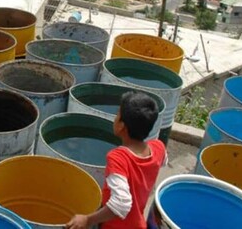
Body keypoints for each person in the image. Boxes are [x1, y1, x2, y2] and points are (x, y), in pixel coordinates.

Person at [66, 91, 167, 229]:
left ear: (121, 126)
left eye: (117, 115)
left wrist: (88, 219)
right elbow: (163, 161)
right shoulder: (158, 147)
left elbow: (121, 203)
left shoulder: (119, 158)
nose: (115, 118)